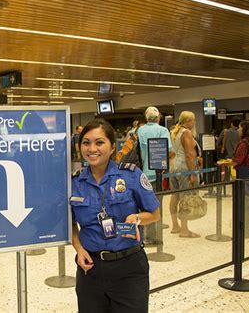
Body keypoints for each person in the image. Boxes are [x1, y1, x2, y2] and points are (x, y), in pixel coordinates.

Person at [71, 118, 160, 312]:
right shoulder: (74, 182)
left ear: (112, 147)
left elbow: (154, 213)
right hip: (90, 269)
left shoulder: (131, 175)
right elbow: (70, 224)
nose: (92, 148)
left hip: (129, 268)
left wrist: (137, 218)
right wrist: (78, 248)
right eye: (86, 143)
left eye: (99, 142)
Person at [137, 106, 174, 244]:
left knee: (142, 205)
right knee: (155, 206)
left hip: (140, 173)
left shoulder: (140, 130)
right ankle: (152, 238)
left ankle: (142, 236)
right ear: (158, 118)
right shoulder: (162, 130)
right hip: (156, 174)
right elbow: (168, 150)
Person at [168, 111, 201, 238]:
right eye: (193, 120)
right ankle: (184, 230)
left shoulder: (173, 132)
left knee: (174, 196)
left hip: (173, 168)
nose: (194, 123)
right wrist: (193, 173)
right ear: (188, 121)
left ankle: (175, 226)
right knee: (185, 198)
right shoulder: (186, 133)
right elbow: (189, 154)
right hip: (184, 168)